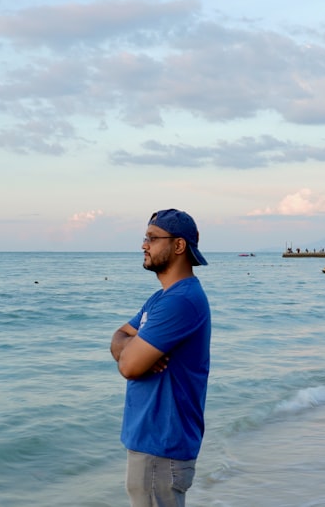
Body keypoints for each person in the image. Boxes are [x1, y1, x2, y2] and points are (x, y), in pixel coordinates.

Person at [110, 209, 211, 507]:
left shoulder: (181, 301)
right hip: (151, 442)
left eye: (152, 238)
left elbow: (128, 366)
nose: (144, 245)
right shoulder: (162, 298)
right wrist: (133, 347)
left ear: (179, 246)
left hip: (161, 446)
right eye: (145, 237)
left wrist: (133, 352)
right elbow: (117, 336)